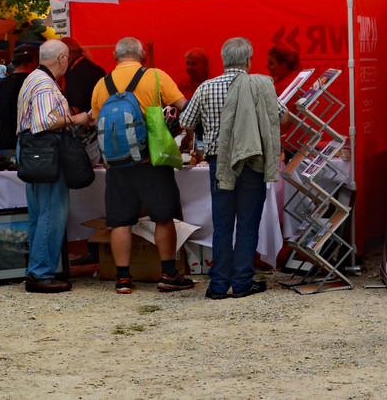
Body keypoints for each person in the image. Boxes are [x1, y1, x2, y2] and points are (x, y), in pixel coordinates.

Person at [90, 37, 194, 294]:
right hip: (152, 159)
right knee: (163, 216)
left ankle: (123, 278)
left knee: (120, 221)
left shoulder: (101, 84)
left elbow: (95, 121)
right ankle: (169, 274)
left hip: (117, 163)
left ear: (115, 56)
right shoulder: (156, 76)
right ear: (142, 57)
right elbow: (185, 108)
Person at [179, 37, 274, 299]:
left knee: (222, 224)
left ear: (222, 60)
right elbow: (281, 116)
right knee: (247, 223)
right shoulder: (259, 86)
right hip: (252, 161)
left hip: (218, 162)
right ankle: (242, 282)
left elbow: (186, 120)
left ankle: (218, 285)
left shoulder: (206, 87)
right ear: (249, 60)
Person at [18, 40, 93, 293]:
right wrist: (77, 118)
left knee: (40, 213)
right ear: (62, 59)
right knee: (52, 211)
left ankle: (37, 270)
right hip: (45, 151)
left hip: (35, 151)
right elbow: (43, 122)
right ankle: (41, 273)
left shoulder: (33, 78)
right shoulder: (44, 85)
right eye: (67, 60)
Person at [0, 42, 40, 170]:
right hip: (29, 145)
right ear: (35, 59)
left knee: (4, 187)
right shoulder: (34, 83)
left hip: (3, 143)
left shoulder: (2, 84)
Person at [60, 37, 106, 115]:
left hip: (85, 121)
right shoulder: (93, 67)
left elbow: (75, 109)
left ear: (70, 53)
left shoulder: (76, 72)